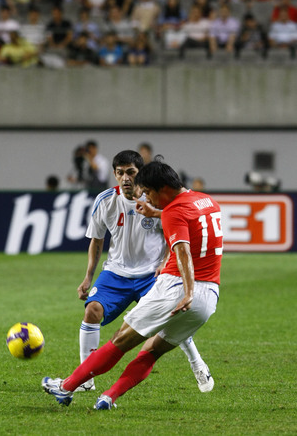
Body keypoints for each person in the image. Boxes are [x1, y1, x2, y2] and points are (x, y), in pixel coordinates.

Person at [42, 155, 221, 405]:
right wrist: (158, 212)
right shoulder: (206, 201)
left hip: (175, 287)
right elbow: (185, 218)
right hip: (209, 298)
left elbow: (181, 251)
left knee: (120, 340)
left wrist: (188, 292)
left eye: (149, 191)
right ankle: (109, 397)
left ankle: (67, 386)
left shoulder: (172, 212)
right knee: (152, 350)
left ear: (163, 189)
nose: (146, 196)